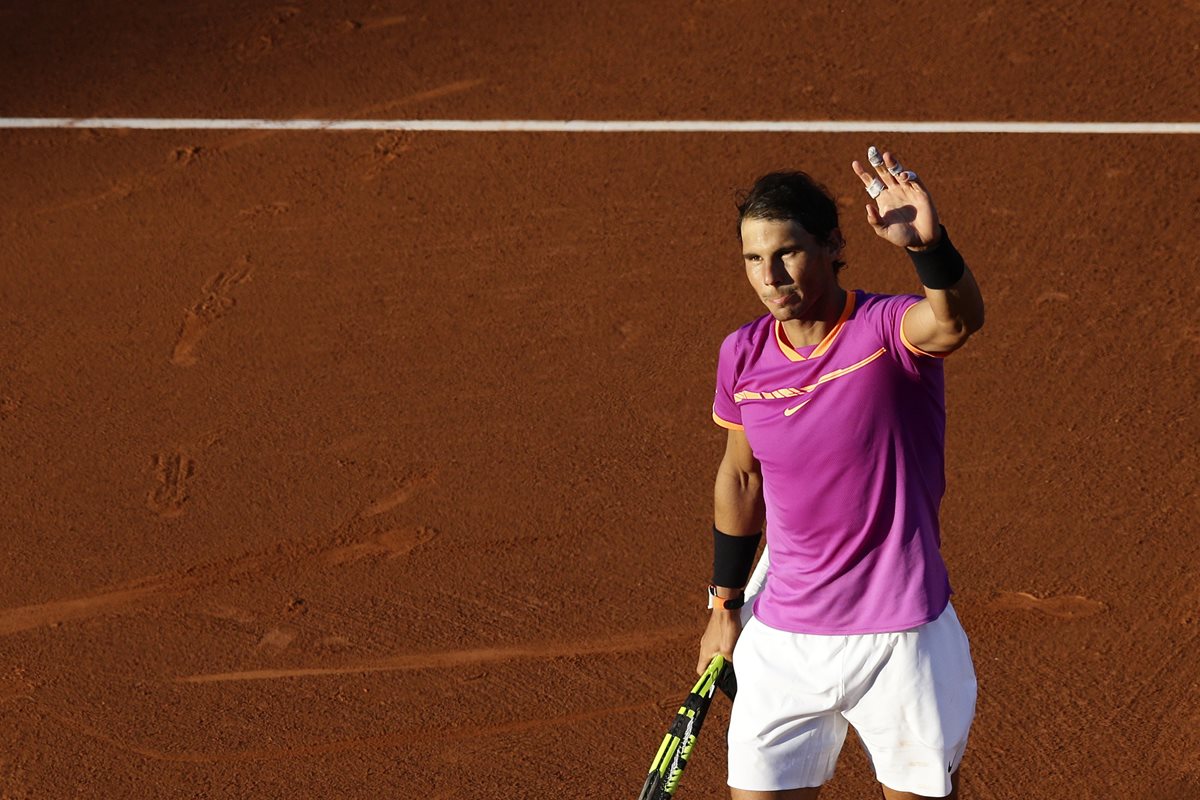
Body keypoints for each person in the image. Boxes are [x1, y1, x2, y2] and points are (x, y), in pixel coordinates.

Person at [697, 148, 985, 800]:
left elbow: (955, 320)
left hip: (901, 637)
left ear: (831, 246)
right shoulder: (742, 355)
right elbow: (741, 479)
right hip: (785, 636)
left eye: (787, 253)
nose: (769, 276)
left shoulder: (882, 332)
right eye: (752, 258)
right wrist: (723, 605)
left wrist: (929, 246)